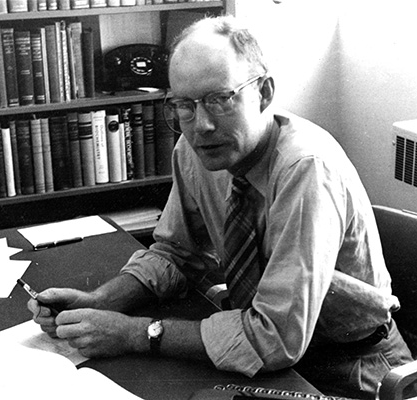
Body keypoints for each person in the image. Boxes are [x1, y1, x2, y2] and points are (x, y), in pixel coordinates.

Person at [27, 15, 414, 399]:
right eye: (185, 105)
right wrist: (102, 302)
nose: (202, 125)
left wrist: (133, 333)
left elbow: (274, 338)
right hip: (271, 358)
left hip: (353, 368)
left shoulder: (305, 169)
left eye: (219, 99)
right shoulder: (195, 151)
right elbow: (177, 253)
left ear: (263, 93)